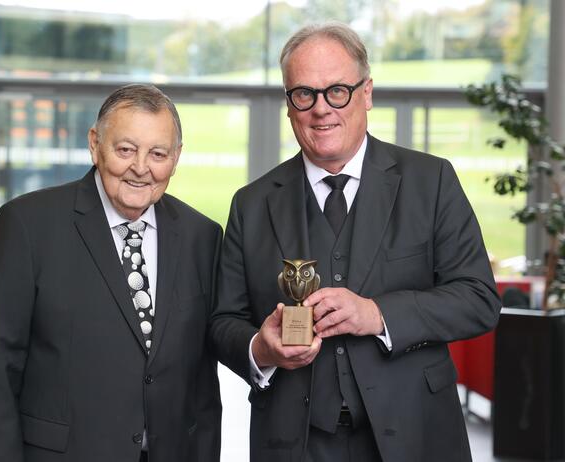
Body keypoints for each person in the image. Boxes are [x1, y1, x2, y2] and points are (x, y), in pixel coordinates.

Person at [210, 22, 500, 462]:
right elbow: (223, 321)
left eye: (337, 91)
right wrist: (260, 349)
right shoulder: (250, 204)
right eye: (304, 93)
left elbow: (479, 299)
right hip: (293, 442)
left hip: (415, 434)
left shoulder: (431, 181)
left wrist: (377, 314)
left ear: (366, 93)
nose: (321, 109)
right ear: (289, 105)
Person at [0, 84, 222, 462]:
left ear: (176, 157)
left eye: (158, 153)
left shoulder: (203, 236)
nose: (140, 168)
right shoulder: (28, 225)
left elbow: (201, 381)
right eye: (125, 149)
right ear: (94, 143)